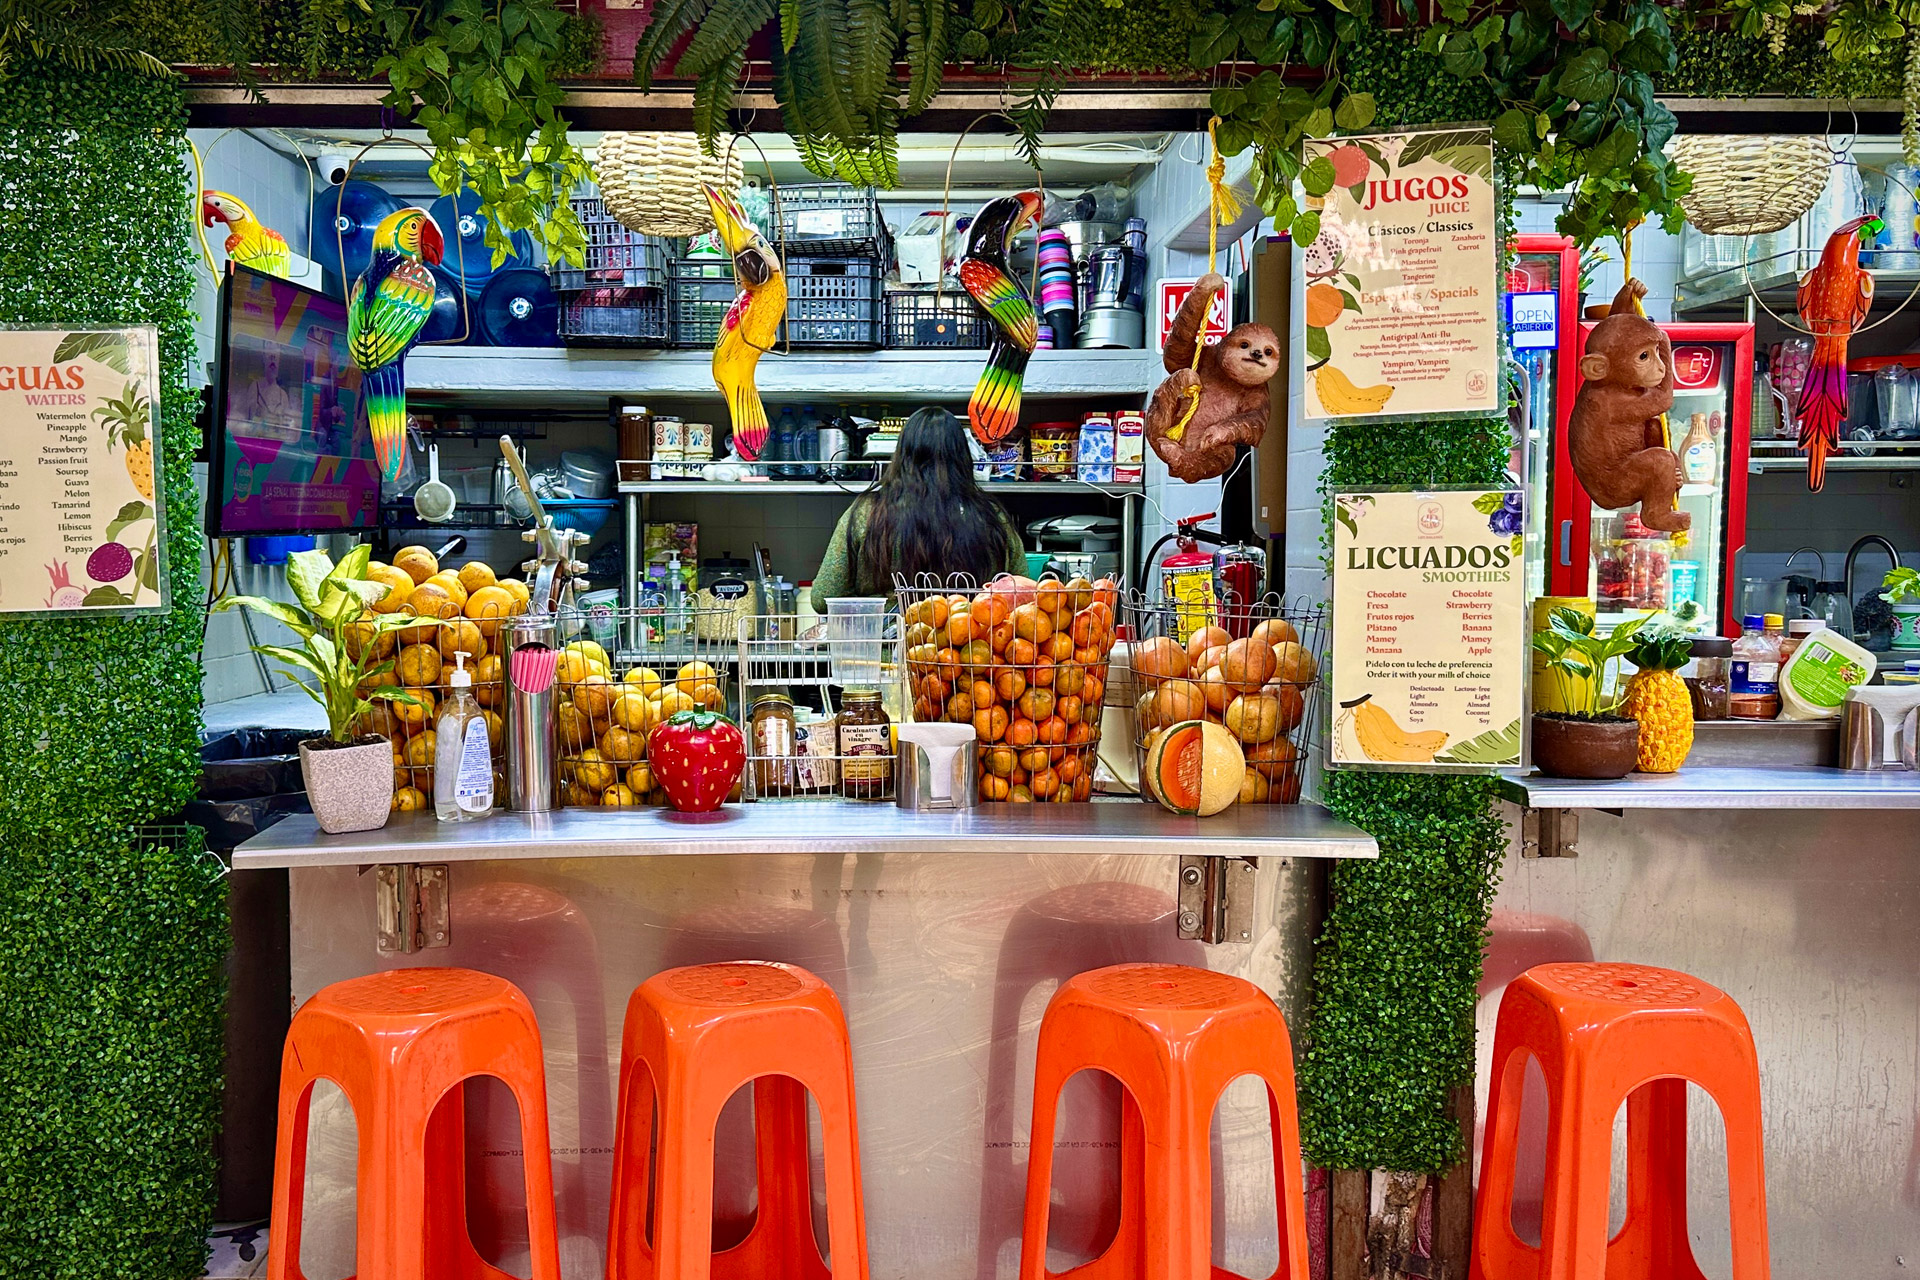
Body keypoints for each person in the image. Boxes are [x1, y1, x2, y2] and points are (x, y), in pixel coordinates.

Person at [810, 406, 1027, 611]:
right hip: (967, 636)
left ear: (901, 455)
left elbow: (823, 597)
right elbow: (1024, 594)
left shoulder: (867, 512)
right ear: (963, 456)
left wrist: (877, 604)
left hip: (886, 637)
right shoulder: (991, 516)